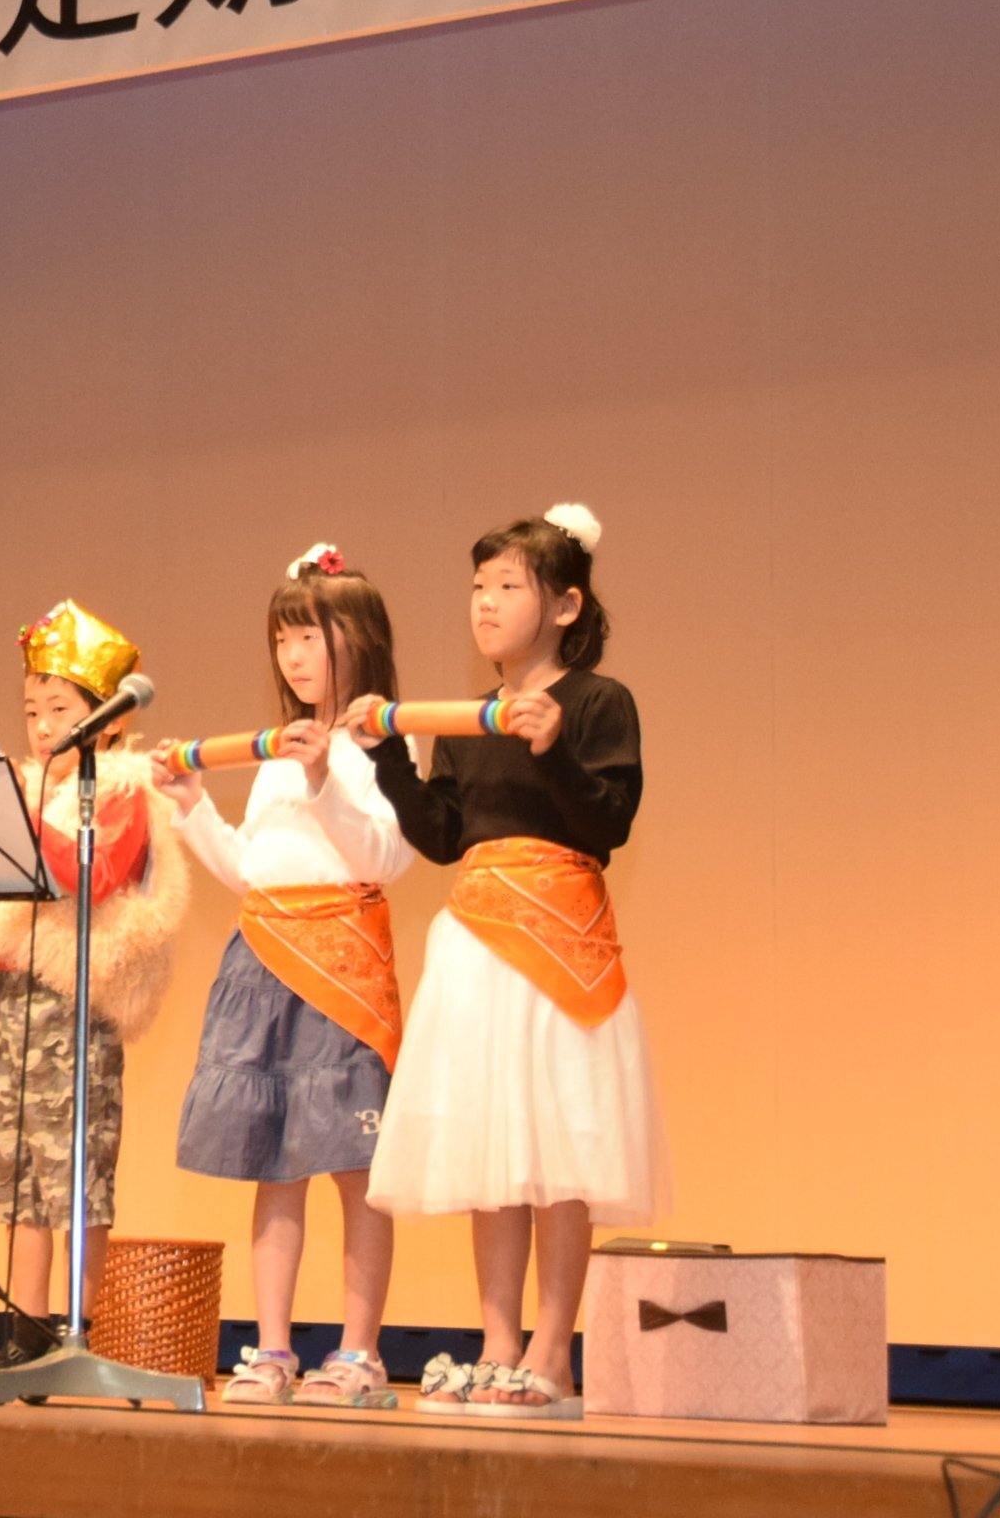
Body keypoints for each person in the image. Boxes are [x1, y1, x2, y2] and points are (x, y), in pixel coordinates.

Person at [352, 504, 663, 1418]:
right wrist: (391, 763)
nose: (484, 603)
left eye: (507, 586)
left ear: (565, 605)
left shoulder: (599, 702)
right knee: (492, 1147)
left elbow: (609, 821)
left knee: (563, 1148)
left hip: (563, 944)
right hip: (478, 942)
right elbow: (446, 837)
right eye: (478, 586)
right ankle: (497, 1348)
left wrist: (553, 749)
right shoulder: (469, 717)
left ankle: (552, 1354)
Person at [158, 548, 412, 1408]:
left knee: (358, 1166)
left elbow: (385, 857)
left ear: (359, 638)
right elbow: (251, 871)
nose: (293, 655)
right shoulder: (276, 752)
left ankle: (359, 1354)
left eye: (310, 635)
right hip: (264, 959)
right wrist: (193, 805)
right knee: (275, 1162)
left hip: (342, 964)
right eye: (282, 638)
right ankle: (271, 1350)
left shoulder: (386, 741)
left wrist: (324, 777)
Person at [0, 599, 190, 1386]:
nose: (43, 726)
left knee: (73, 1169)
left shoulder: (123, 787)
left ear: (106, 721)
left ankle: (80, 1326)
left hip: (77, 1003)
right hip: (14, 995)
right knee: (16, 1167)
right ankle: (24, 1327)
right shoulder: (25, 786)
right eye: (32, 710)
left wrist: (12, 814)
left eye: (61, 709)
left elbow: (89, 873)